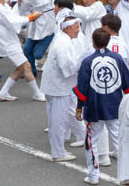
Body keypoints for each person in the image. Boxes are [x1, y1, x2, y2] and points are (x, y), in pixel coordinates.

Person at [75, 27, 129, 185]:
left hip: (94, 108)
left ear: (93, 42)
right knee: (119, 140)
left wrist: (79, 107)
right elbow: (128, 86)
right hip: (115, 105)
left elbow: (82, 89)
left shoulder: (87, 62)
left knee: (91, 141)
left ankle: (93, 176)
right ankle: (127, 175)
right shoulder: (117, 58)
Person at [0, 0, 44, 102]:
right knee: (26, 66)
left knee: (21, 67)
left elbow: (14, 18)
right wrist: (32, 16)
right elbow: (14, 21)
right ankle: (37, 94)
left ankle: (3, 93)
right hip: (7, 43)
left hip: (8, 42)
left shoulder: (0, 7)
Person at [42, 14, 84, 161]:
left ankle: (80, 139)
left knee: (61, 118)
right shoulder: (63, 43)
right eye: (76, 27)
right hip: (59, 87)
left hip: (58, 86)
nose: (79, 30)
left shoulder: (63, 39)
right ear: (67, 29)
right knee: (59, 121)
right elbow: (66, 66)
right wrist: (81, 65)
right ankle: (58, 153)